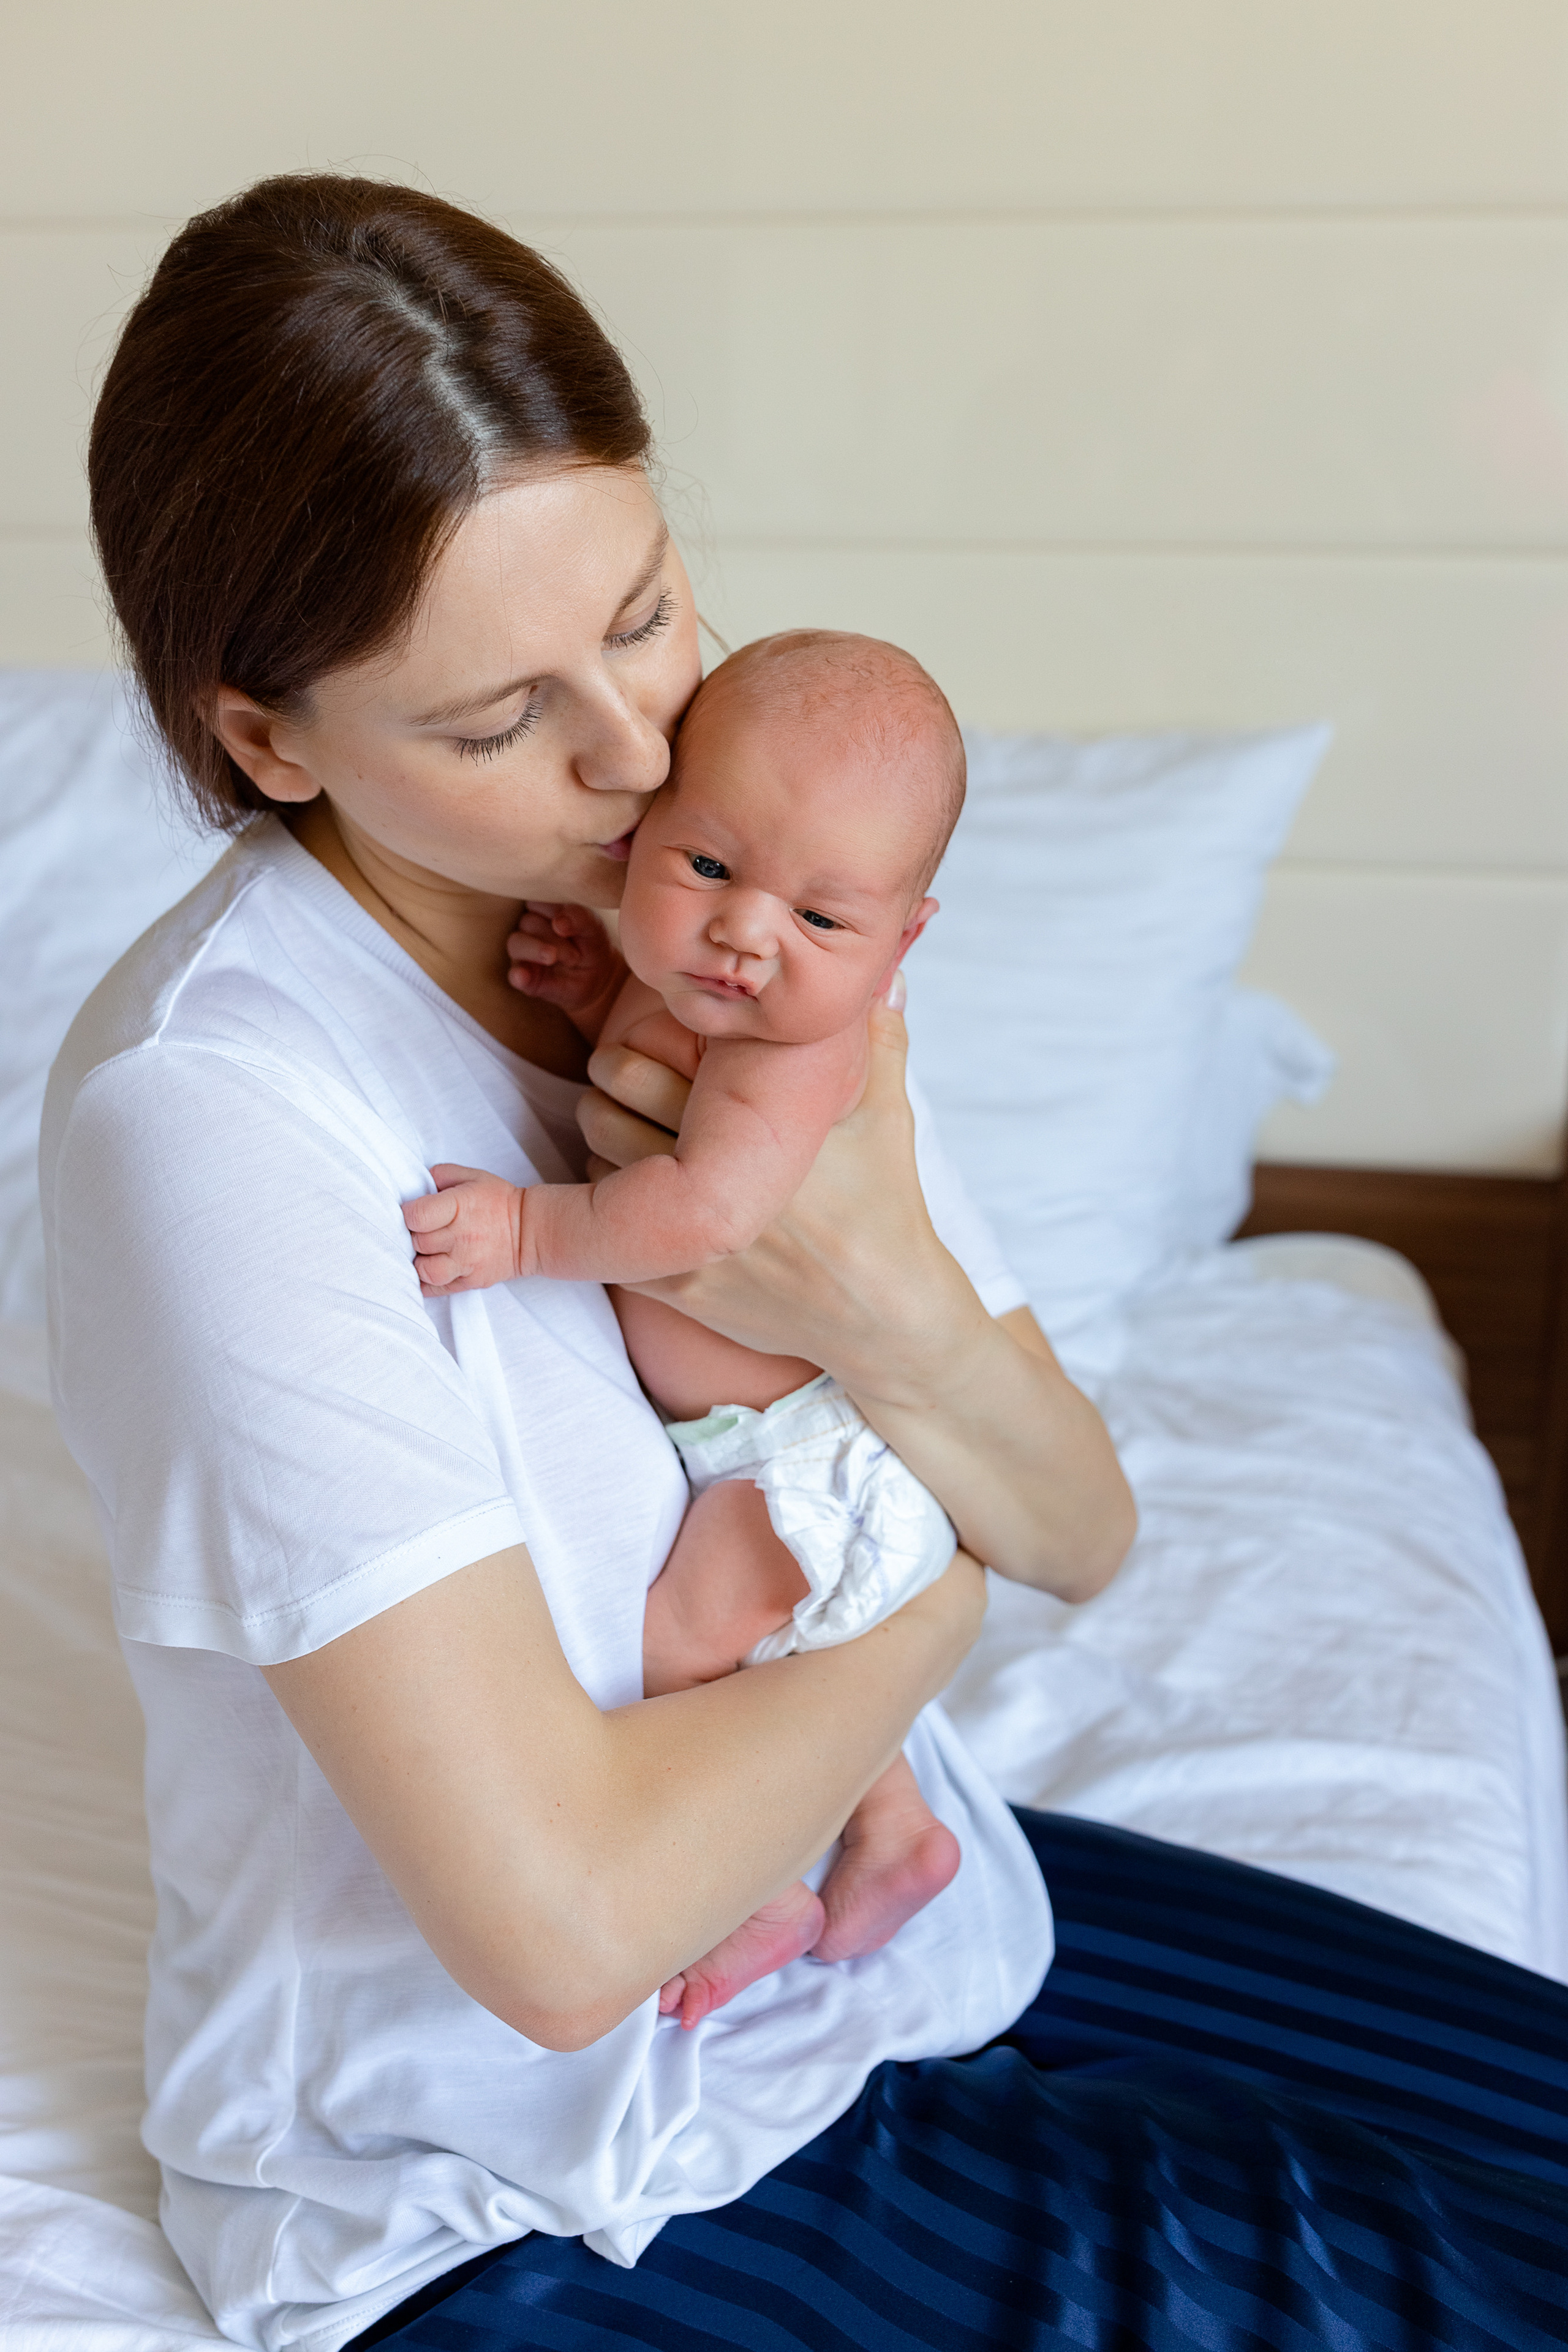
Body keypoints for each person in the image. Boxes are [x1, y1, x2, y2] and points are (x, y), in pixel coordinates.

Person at [51, 172, 1568, 2352]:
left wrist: (872, 1302)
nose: (641, 754)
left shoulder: (746, 929)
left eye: (649, 612)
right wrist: (921, 1585)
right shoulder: (213, 1120)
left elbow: (1090, 1522)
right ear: (266, 742)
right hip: (535, 2188)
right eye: (496, 725)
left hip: (913, 1935)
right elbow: (566, 1931)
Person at [404, 629, 979, 2026]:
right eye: (708, 870)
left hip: (795, 1466)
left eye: (822, 921)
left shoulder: (800, 1057)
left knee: (672, 1661)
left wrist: (531, 1234)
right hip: (771, 1453)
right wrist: (601, 990)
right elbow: (668, 1045)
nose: (742, 934)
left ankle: (755, 1886)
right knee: (780, 1657)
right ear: (642, 834)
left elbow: (705, 1213)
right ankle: (892, 1832)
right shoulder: (720, 1006)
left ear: (904, 939)